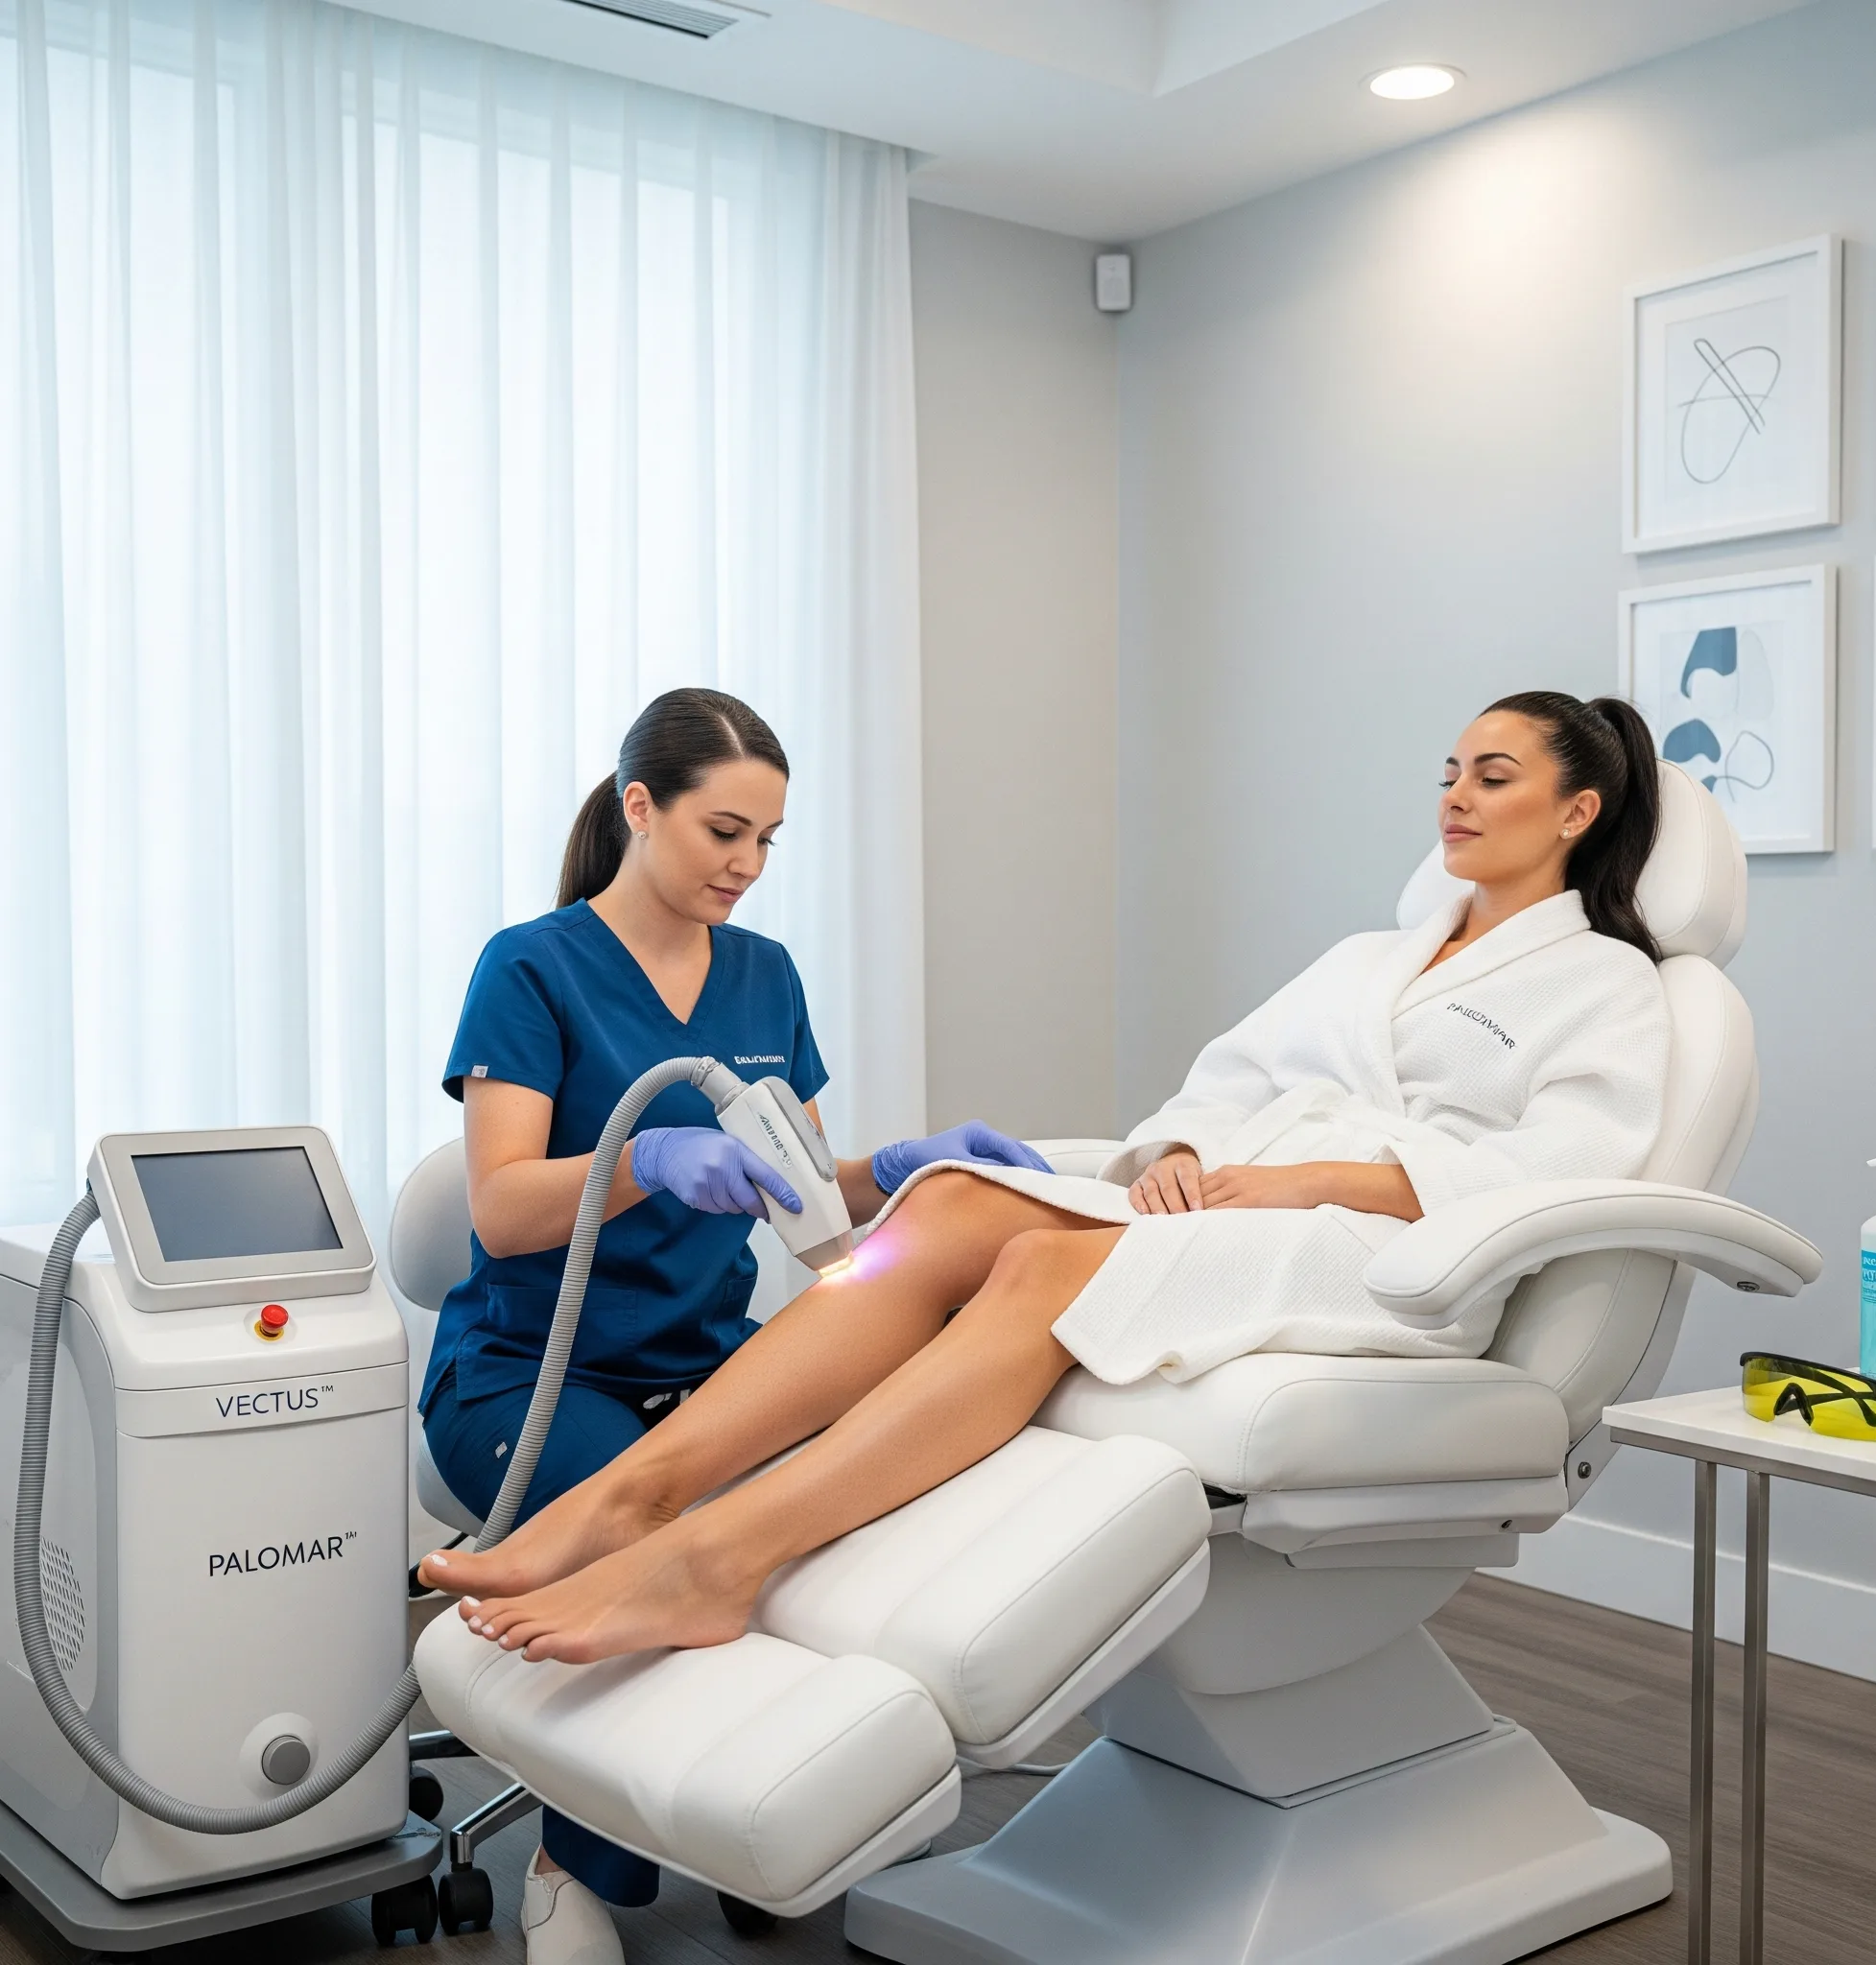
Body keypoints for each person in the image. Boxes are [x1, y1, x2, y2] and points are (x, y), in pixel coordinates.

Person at [423, 691, 1673, 1686]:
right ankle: (637, 1494)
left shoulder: (1606, 983)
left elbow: (1550, 1175)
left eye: (1492, 776)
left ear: (1578, 811)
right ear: (643, 811)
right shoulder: (1370, 961)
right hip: (1236, 1207)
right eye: (1447, 772)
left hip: (1375, 1244)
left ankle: (714, 1553)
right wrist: (1172, 1155)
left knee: (1041, 1268)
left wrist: (1301, 1179)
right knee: (951, 1208)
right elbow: (1214, 1092)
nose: (1454, 796)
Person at [416, 686, 1045, 1965]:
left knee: (818, 1541)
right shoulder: (531, 966)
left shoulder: (765, 975)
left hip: (707, 1369)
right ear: (640, 808)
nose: (747, 867)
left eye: (768, 840)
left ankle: (758, 1823)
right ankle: (565, 1864)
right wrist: (644, 1153)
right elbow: (501, 1209)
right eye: (722, 832)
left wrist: (917, 1166)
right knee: (651, 1543)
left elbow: (805, 1191)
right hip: (526, 1376)